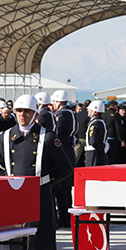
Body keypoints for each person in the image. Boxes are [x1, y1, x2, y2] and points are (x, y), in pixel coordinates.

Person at [0, 95, 73, 250]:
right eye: (18, 111)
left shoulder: (47, 137)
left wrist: (45, 182)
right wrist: (11, 186)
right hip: (14, 198)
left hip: (39, 196)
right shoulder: (5, 137)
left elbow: (65, 168)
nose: (22, 115)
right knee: (13, 247)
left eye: (27, 111)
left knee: (39, 247)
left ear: (36, 114)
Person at [51, 90, 78, 227]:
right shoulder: (71, 113)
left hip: (63, 151)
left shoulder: (62, 115)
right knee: (66, 188)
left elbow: (58, 134)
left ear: (58, 101)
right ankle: (66, 215)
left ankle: (64, 217)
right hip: (69, 150)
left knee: (61, 188)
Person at [85, 100, 109, 166]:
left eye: (90, 109)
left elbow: (93, 141)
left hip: (94, 154)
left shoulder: (96, 123)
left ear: (95, 112)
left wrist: (102, 148)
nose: (88, 110)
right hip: (95, 153)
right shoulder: (98, 122)